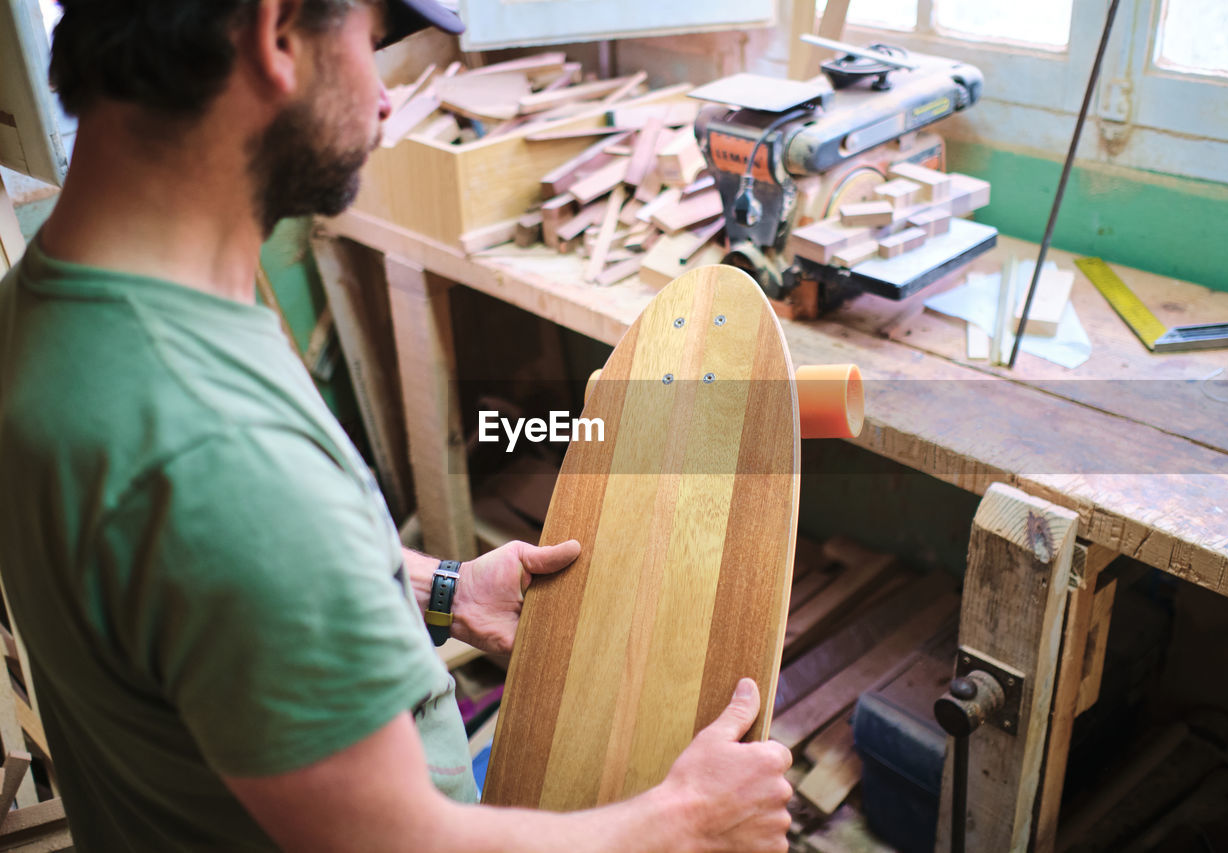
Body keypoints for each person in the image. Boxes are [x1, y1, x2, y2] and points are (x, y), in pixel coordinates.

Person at [0, 1, 794, 850]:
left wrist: (441, 588)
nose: (384, 99)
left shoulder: (46, 311)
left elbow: (193, 599)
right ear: (276, 35)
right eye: (371, 44)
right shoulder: (221, 455)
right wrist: (684, 822)